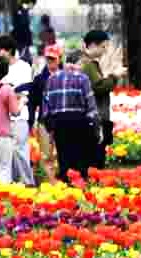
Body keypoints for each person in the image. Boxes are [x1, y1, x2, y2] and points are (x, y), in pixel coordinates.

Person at [42, 50, 98, 182]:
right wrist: (94, 126)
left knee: (63, 157)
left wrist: (50, 128)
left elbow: (46, 107)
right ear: (78, 62)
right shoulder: (82, 78)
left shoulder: (51, 79)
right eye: (83, 63)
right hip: (79, 122)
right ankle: (79, 184)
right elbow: (91, 105)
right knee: (80, 158)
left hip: (59, 123)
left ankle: (65, 185)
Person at [0, 35, 35, 185]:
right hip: (2, 117)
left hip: (19, 115)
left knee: (20, 150)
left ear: (10, 50)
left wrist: (8, 93)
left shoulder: (23, 67)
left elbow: (25, 92)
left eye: (1, 50)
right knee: (5, 154)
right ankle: (10, 185)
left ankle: (27, 183)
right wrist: (10, 92)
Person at [82, 30, 115, 169]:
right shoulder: (88, 64)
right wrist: (114, 76)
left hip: (96, 115)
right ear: (92, 45)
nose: (105, 50)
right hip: (95, 117)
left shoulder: (91, 63)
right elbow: (98, 87)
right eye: (103, 46)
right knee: (96, 158)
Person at [29, 44, 62, 180]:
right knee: (46, 155)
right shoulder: (39, 79)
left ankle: (62, 182)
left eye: (53, 59)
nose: (50, 61)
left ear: (59, 59)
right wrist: (31, 121)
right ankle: (51, 182)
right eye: (48, 59)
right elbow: (32, 102)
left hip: (62, 121)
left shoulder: (67, 77)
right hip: (45, 121)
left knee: (62, 153)